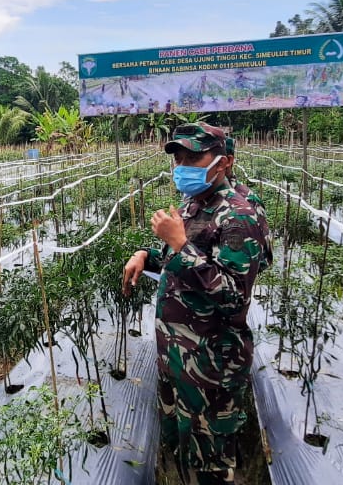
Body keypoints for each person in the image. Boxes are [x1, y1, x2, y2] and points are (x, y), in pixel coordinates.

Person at [121, 123, 272, 485]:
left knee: (211, 464)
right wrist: (146, 254)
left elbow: (233, 296)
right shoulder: (195, 203)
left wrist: (179, 244)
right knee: (182, 446)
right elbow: (179, 259)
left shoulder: (240, 215)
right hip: (177, 357)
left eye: (194, 158)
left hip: (210, 366)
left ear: (224, 162)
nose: (183, 166)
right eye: (179, 159)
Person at [224, 137, 273, 268]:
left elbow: (262, 259)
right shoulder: (195, 197)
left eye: (196, 158)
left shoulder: (247, 201)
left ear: (226, 161)